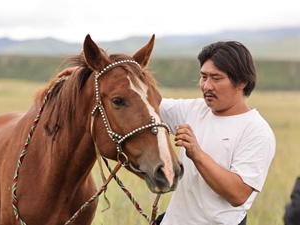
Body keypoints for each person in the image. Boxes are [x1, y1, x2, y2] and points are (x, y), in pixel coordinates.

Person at [57, 41, 276, 225]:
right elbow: (136, 102)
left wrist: (197, 154)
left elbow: (238, 195)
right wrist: (93, 76)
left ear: (242, 82)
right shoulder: (194, 109)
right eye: (203, 76)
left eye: (216, 78)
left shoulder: (256, 131)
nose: (206, 86)